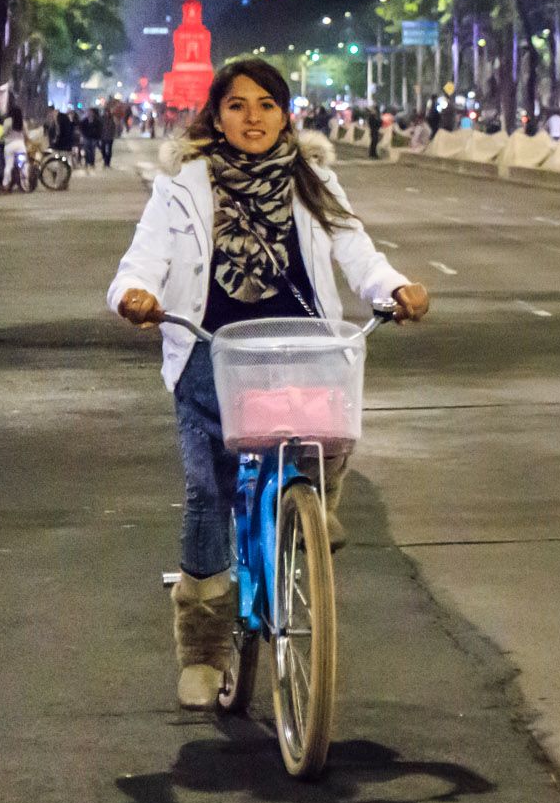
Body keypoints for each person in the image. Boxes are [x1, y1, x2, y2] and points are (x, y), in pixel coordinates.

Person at [108, 57, 429, 709]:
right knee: (208, 490)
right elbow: (142, 259)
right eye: (237, 105)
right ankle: (202, 646)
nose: (252, 117)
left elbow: (356, 249)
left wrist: (392, 287)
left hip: (300, 346)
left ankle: (311, 506)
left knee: (330, 423)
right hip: (212, 349)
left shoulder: (314, 180)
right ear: (215, 115)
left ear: (286, 114)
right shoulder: (182, 186)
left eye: (266, 105)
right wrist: (134, 295)